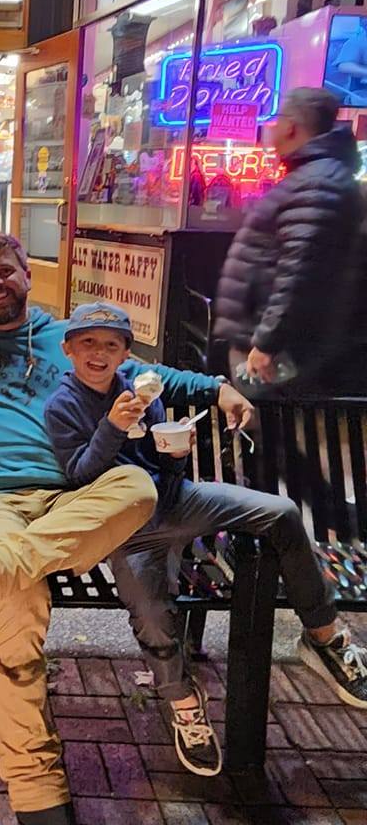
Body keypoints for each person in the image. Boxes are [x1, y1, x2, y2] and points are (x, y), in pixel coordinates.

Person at [0, 231, 249, 825]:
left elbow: (147, 372)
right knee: (17, 606)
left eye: (6, 271)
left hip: (73, 499)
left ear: (26, 276)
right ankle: (39, 797)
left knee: (137, 488)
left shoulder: (69, 339)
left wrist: (218, 387)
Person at [46, 302, 367, 780]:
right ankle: (183, 703)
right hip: (127, 529)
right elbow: (79, 477)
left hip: (181, 500)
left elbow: (178, 402)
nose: (99, 353)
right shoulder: (62, 406)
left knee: (279, 514)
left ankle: (322, 635)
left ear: (125, 352)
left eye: (111, 345)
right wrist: (112, 426)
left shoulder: (139, 380)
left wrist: (199, 422)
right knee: (152, 616)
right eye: (88, 343)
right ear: (68, 349)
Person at [214, 87, 366, 395]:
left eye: (277, 119)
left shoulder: (317, 182)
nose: (272, 128)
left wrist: (268, 341)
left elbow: (300, 270)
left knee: (269, 430)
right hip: (273, 343)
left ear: (292, 126)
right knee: (262, 429)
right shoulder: (316, 177)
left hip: (279, 352)